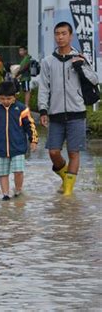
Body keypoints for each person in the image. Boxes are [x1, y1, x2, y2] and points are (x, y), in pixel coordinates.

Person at [38, 21, 99, 196]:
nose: (60, 37)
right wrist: (43, 109)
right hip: (55, 113)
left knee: (74, 152)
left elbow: (94, 79)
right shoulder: (48, 61)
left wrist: (80, 66)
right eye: (57, 33)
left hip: (77, 112)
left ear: (70, 36)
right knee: (53, 152)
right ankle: (66, 179)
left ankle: (68, 193)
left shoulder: (80, 57)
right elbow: (44, 87)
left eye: (64, 33)